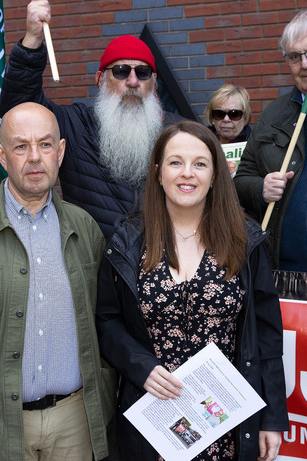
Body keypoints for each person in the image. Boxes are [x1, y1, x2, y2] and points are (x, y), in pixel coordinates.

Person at [96, 121, 288, 461]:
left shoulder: (245, 243)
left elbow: (268, 339)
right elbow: (107, 321)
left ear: (215, 175)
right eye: (175, 162)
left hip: (225, 421)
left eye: (200, 163)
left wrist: (272, 417)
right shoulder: (126, 242)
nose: (188, 174)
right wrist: (140, 367)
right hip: (153, 417)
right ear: (157, 172)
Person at [0, 102, 116, 461]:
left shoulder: (85, 226)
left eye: (44, 144)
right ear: (2, 154)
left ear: (60, 152)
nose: (35, 157)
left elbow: (107, 319)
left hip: (76, 419)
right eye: (21, 146)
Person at [0, 0, 185, 238]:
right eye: (120, 71)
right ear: (100, 79)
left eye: (142, 72)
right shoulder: (75, 125)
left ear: (153, 81)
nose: (132, 81)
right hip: (97, 270)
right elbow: (19, 107)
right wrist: (33, 40)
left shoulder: (179, 133)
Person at [234, 10, 307, 274]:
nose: (306, 63)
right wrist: (261, 189)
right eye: (295, 56)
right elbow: (241, 180)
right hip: (285, 277)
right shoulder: (273, 115)